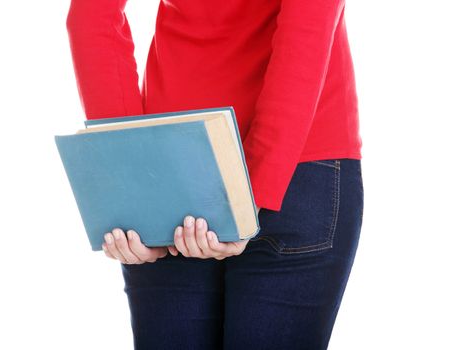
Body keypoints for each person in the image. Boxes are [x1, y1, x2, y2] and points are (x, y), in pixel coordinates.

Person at [65, 0, 364, 349]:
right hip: (297, 166)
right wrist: (246, 203)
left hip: (175, 164)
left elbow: (91, 15)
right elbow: (308, 27)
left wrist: (133, 183)